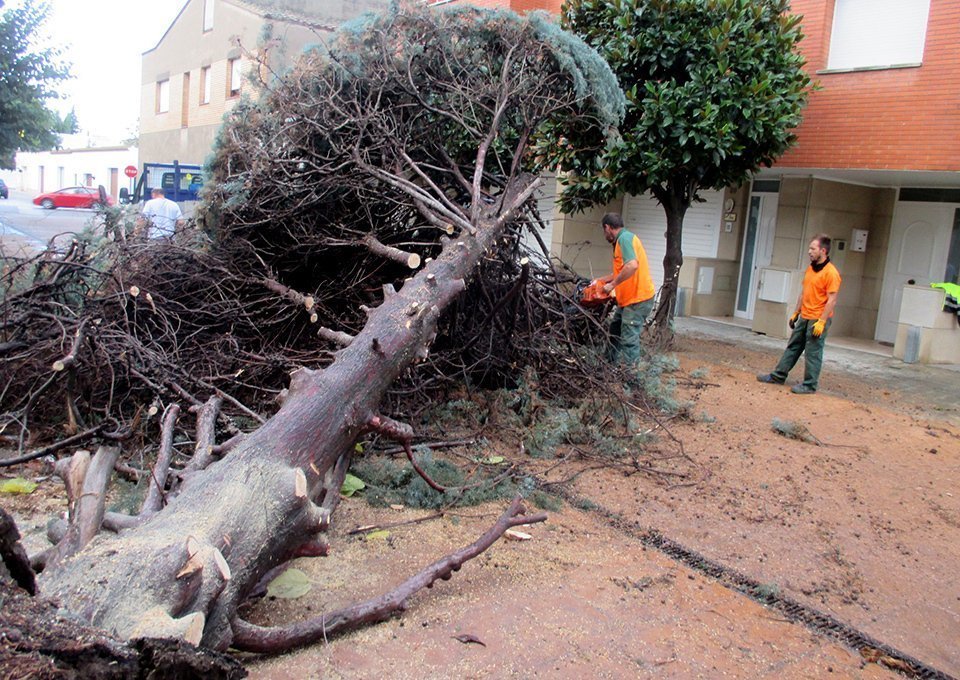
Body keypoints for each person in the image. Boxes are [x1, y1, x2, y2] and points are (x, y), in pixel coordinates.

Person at [757, 234, 842, 394]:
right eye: (809, 248)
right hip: (805, 315)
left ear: (823, 251)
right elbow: (804, 292)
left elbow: (832, 300)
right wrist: (796, 312)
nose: (809, 251)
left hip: (817, 319)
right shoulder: (811, 269)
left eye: (813, 249)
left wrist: (822, 321)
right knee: (793, 346)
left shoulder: (831, 273)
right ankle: (778, 376)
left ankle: (809, 385)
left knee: (813, 352)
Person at [598, 212, 656, 366]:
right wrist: (600, 281)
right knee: (615, 329)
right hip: (628, 300)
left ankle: (632, 380)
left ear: (608, 227)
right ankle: (607, 367)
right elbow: (621, 270)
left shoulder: (624, 239)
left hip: (638, 299)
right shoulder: (622, 240)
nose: (605, 235)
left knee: (629, 339)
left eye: (604, 231)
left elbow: (632, 265)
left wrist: (612, 285)